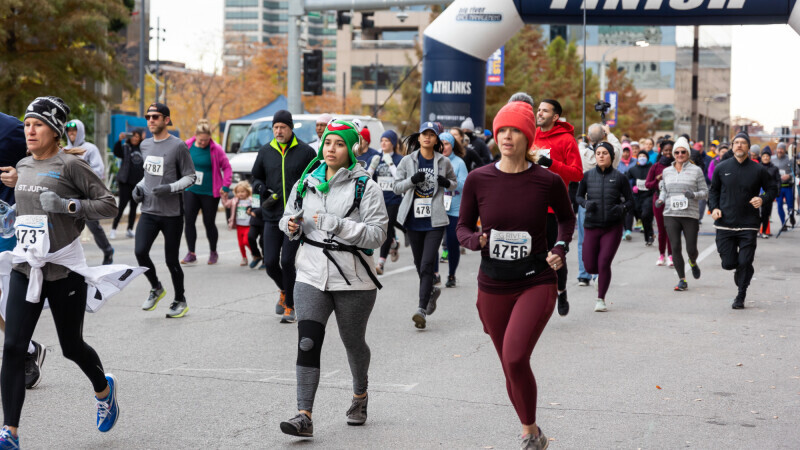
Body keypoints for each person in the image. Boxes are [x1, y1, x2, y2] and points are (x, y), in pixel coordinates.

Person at [0, 97, 143, 446]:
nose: (29, 131)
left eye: (37, 125)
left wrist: (68, 204)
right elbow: (28, 199)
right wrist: (13, 199)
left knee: (71, 346)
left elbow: (108, 204)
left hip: (64, 270)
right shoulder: (22, 164)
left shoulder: (70, 166)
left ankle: (104, 390)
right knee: (13, 347)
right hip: (26, 266)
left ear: (55, 130)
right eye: (27, 124)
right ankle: (10, 432)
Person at [456, 100, 575, 449]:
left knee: (514, 356)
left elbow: (567, 219)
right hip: (491, 284)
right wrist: (474, 240)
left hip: (535, 280)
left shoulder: (546, 181)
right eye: (502, 130)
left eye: (515, 130)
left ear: (528, 136)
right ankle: (534, 431)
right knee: (510, 365)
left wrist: (559, 248)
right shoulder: (479, 179)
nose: (507, 136)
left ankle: (526, 433)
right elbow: (462, 227)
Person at [278, 119, 388, 437]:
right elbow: (289, 213)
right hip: (311, 273)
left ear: (351, 149)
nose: (331, 149)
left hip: (353, 280)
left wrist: (337, 224)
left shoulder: (366, 187)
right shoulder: (307, 181)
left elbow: (377, 235)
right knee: (308, 340)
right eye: (328, 142)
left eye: (339, 144)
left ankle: (359, 396)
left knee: (353, 343)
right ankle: (304, 415)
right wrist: (291, 225)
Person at [251, 110, 316, 323]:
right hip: (271, 215)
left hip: (295, 217)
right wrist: (260, 188)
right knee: (270, 263)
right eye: (276, 127)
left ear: (291, 128)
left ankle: (291, 305)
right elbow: (256, 177)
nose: (279, 131)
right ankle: (284, 290)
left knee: (287, 261)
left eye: (283, 127)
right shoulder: (265, 151)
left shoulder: (306, 152)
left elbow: (317, 177)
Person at [133, 103, 197, 318]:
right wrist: (139, 187)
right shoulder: (145, 145)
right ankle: (156, 287)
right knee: (140, 252)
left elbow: (190, 176)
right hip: (149, 210)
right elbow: (147, 176)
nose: (151, 120)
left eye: (156, 117)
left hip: (172, 213)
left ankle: (180, 299)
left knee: (171, 260)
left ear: (166, 120)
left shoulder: (178, 146)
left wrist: (170, 188)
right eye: (148, 116)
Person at [393, 122, 457, 329]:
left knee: (428, 263)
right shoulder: (407, 161)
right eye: (424, 134)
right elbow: (396, 187)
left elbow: (454, 183)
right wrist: (412, 180)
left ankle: (421, 309)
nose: (428, 138)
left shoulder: (444, 161)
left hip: (434, 220)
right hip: (413, 219)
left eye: (432, 135)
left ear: (437, 139)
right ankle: (430, 290)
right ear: (419, 138)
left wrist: (446, 184)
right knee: (419, 263)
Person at [0, 112, 46, 391]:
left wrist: (22, 175)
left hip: (6, 224)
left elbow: (46, 157)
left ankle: (23, 352)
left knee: (6, 294)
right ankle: (28, 346)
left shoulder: (10, 128)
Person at [709, 132, 778, 309]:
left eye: (743, 143)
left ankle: (740, 295)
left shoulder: (758, 169)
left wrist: (762, 199)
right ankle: (740, 270)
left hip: (749, 223)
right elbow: (714, 191)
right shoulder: (721, 167)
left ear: (748, 147)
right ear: (732, 146)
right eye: (736, 142)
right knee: (729, 263)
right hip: (725, 223)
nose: (739, 145)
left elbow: (772, 189)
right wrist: (714, 207)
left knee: (745, 262)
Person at [532, 98, 583, 316]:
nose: (539, 113)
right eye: (539, 109)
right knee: (532, 254)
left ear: (555, 117)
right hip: (531, 205)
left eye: (545, 111)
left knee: (555, 255)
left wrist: (551, 164)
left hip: (554, 208)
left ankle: (561, 291)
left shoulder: (566, 140)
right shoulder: (530, 136)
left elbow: (578, 173)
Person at [576, 142, 633, 312]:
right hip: (591, 225)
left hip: (612, 227)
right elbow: (578, 197)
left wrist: (621, 208)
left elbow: (630, 201)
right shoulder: (587, 176)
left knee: (603, 263)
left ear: (611, 156)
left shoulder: (620, 177)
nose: (601, 156)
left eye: (604, 153)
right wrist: (586, 204)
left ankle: (600, 299)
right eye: (598, 153)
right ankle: (597, 279)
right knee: (589, 266)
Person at [656, 137, 707, 291]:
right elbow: (664, 189)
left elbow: (705, 192)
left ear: (688, 153)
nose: (679, 154)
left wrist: (694, 195)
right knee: (675, 247)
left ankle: (693, 261)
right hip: (671, 214)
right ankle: (682, 279)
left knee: (691, 249)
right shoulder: (667, 171)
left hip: (690, 214)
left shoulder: (696, 170)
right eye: (676, 152)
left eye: (683, 152)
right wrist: (660, 199)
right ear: (673, 154)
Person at [180, 119, 232, 265]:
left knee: (209, 222)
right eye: (201, 140)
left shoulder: (216, 149)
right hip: (191, 189)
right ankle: (191, 253)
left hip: (210, 191)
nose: (203, 143)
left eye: (206, 140)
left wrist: (226, 186)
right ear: (195, 136)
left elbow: (227, 168)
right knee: (189, 220)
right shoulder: (187, 145)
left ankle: (213, 252)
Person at [576, 123, 621, 286]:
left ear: (589, 138)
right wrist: (609, 133)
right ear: (603, 136)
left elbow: (579, 147)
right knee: (603, 238)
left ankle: (583, 274)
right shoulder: (611, 155)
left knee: (584, 239)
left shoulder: (582, 153)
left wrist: (582, 141)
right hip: (608, 201)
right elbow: (616, 147)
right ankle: (598, 272)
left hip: (587, 201)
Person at [64, 120, 114, 265]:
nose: (71, 133)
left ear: (80, 131)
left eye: (74, 130)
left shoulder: (89, 149)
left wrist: (81, 178)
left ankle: (107, 250)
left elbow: (99, 170)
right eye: (69, 131)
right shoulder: (64, 150)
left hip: (86, 195)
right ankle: (70, 260)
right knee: (67, 227)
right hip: (69, 195)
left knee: (93, 225)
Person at [436, 132, 467, 288]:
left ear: (452, 145)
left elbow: (464, 184)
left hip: (454, 209)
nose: (444, 147)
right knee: (432, 243)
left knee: (452, 243)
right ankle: (435, 274)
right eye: (441, 143)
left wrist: (447, 183)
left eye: (447, 143)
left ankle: (452, 275)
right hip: (436, 208)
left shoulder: (459, 163)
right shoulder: (433, 160)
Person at [373, 130, 405, 275]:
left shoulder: (399, 159)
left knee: (387, 227)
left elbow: (400, 177)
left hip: (394, 198)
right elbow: (370, 177)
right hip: (379, 199)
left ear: (393, 143)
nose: (383, 143)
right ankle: (393, 242)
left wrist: (390, 163)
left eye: (386, 140)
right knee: (384, 225)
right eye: (382, 140)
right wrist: (372, 167)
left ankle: (381, 262)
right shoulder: (377, 157)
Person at [645, 139, 675, 267]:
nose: (668, 153)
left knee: (671, 229)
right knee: (662, 229)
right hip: (658, 200)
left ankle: (671, 255)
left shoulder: (677, 165)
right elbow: (647, 184)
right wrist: (657, 179)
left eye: (670, 151)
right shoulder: (655, 166)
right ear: (661, 151)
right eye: (666, 150)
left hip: (673, 200)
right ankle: (661, 254)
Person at [111, 128, 145, 238]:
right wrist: (119, 141)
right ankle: (114, 228)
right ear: (130, 137)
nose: (135, 138)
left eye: (137, 136)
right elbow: (117, 152)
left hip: (137, 183)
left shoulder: (143, 148)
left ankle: (130, 229)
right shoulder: (126, 147)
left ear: (140, 138)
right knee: (121, 206)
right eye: (133, 136)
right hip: (125, 182)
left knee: (134, 207)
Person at [221, 181, 260, 266]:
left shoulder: (250, 200)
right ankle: (244, 258)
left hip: (248, 225)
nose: (240, 194)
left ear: (247, 191)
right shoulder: (235, 200)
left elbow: (257, 206)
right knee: (241, 243)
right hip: (239, 225)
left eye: (242, 191)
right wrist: (224, 196)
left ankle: (255, 254)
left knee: (246, 241)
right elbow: (226, 204)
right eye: (238, 192)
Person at [627, 150, 655, 246]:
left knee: (646, 215)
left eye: (644, 156)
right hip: (637, 196)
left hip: (649, 195)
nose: (642, 157)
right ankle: (649, 235)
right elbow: (625, 179)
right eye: (640, 156)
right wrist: (632, 187)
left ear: (647, 158)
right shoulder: (633, 169)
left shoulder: (652, 168)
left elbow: (657, 179)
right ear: (637, 158)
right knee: (641, 216)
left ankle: (649, 236)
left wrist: (652, 185)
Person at [758, 148, 781, 238]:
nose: (765, 158)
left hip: (768, 195)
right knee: (756, 214)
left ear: (770, 157)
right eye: (764, 156)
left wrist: (777, 192)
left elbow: (778, 181)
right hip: (757, 194)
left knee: (766, 214)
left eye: (767, 156)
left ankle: (763, 232)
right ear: (761, 157)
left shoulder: (774, 168)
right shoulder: (757, 167)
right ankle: (755, 230)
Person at [773, 142, 796, 229]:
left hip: (788, 186)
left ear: (784, 150)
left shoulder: (790, 159)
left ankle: (791, 216)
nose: (779, 150)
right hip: (778, 187)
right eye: (778, 149)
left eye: (781, 149)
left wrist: (789, 175)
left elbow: (797, 171)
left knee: (790, 205)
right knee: (779, 205)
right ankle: (783, 223)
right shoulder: (772, 159)